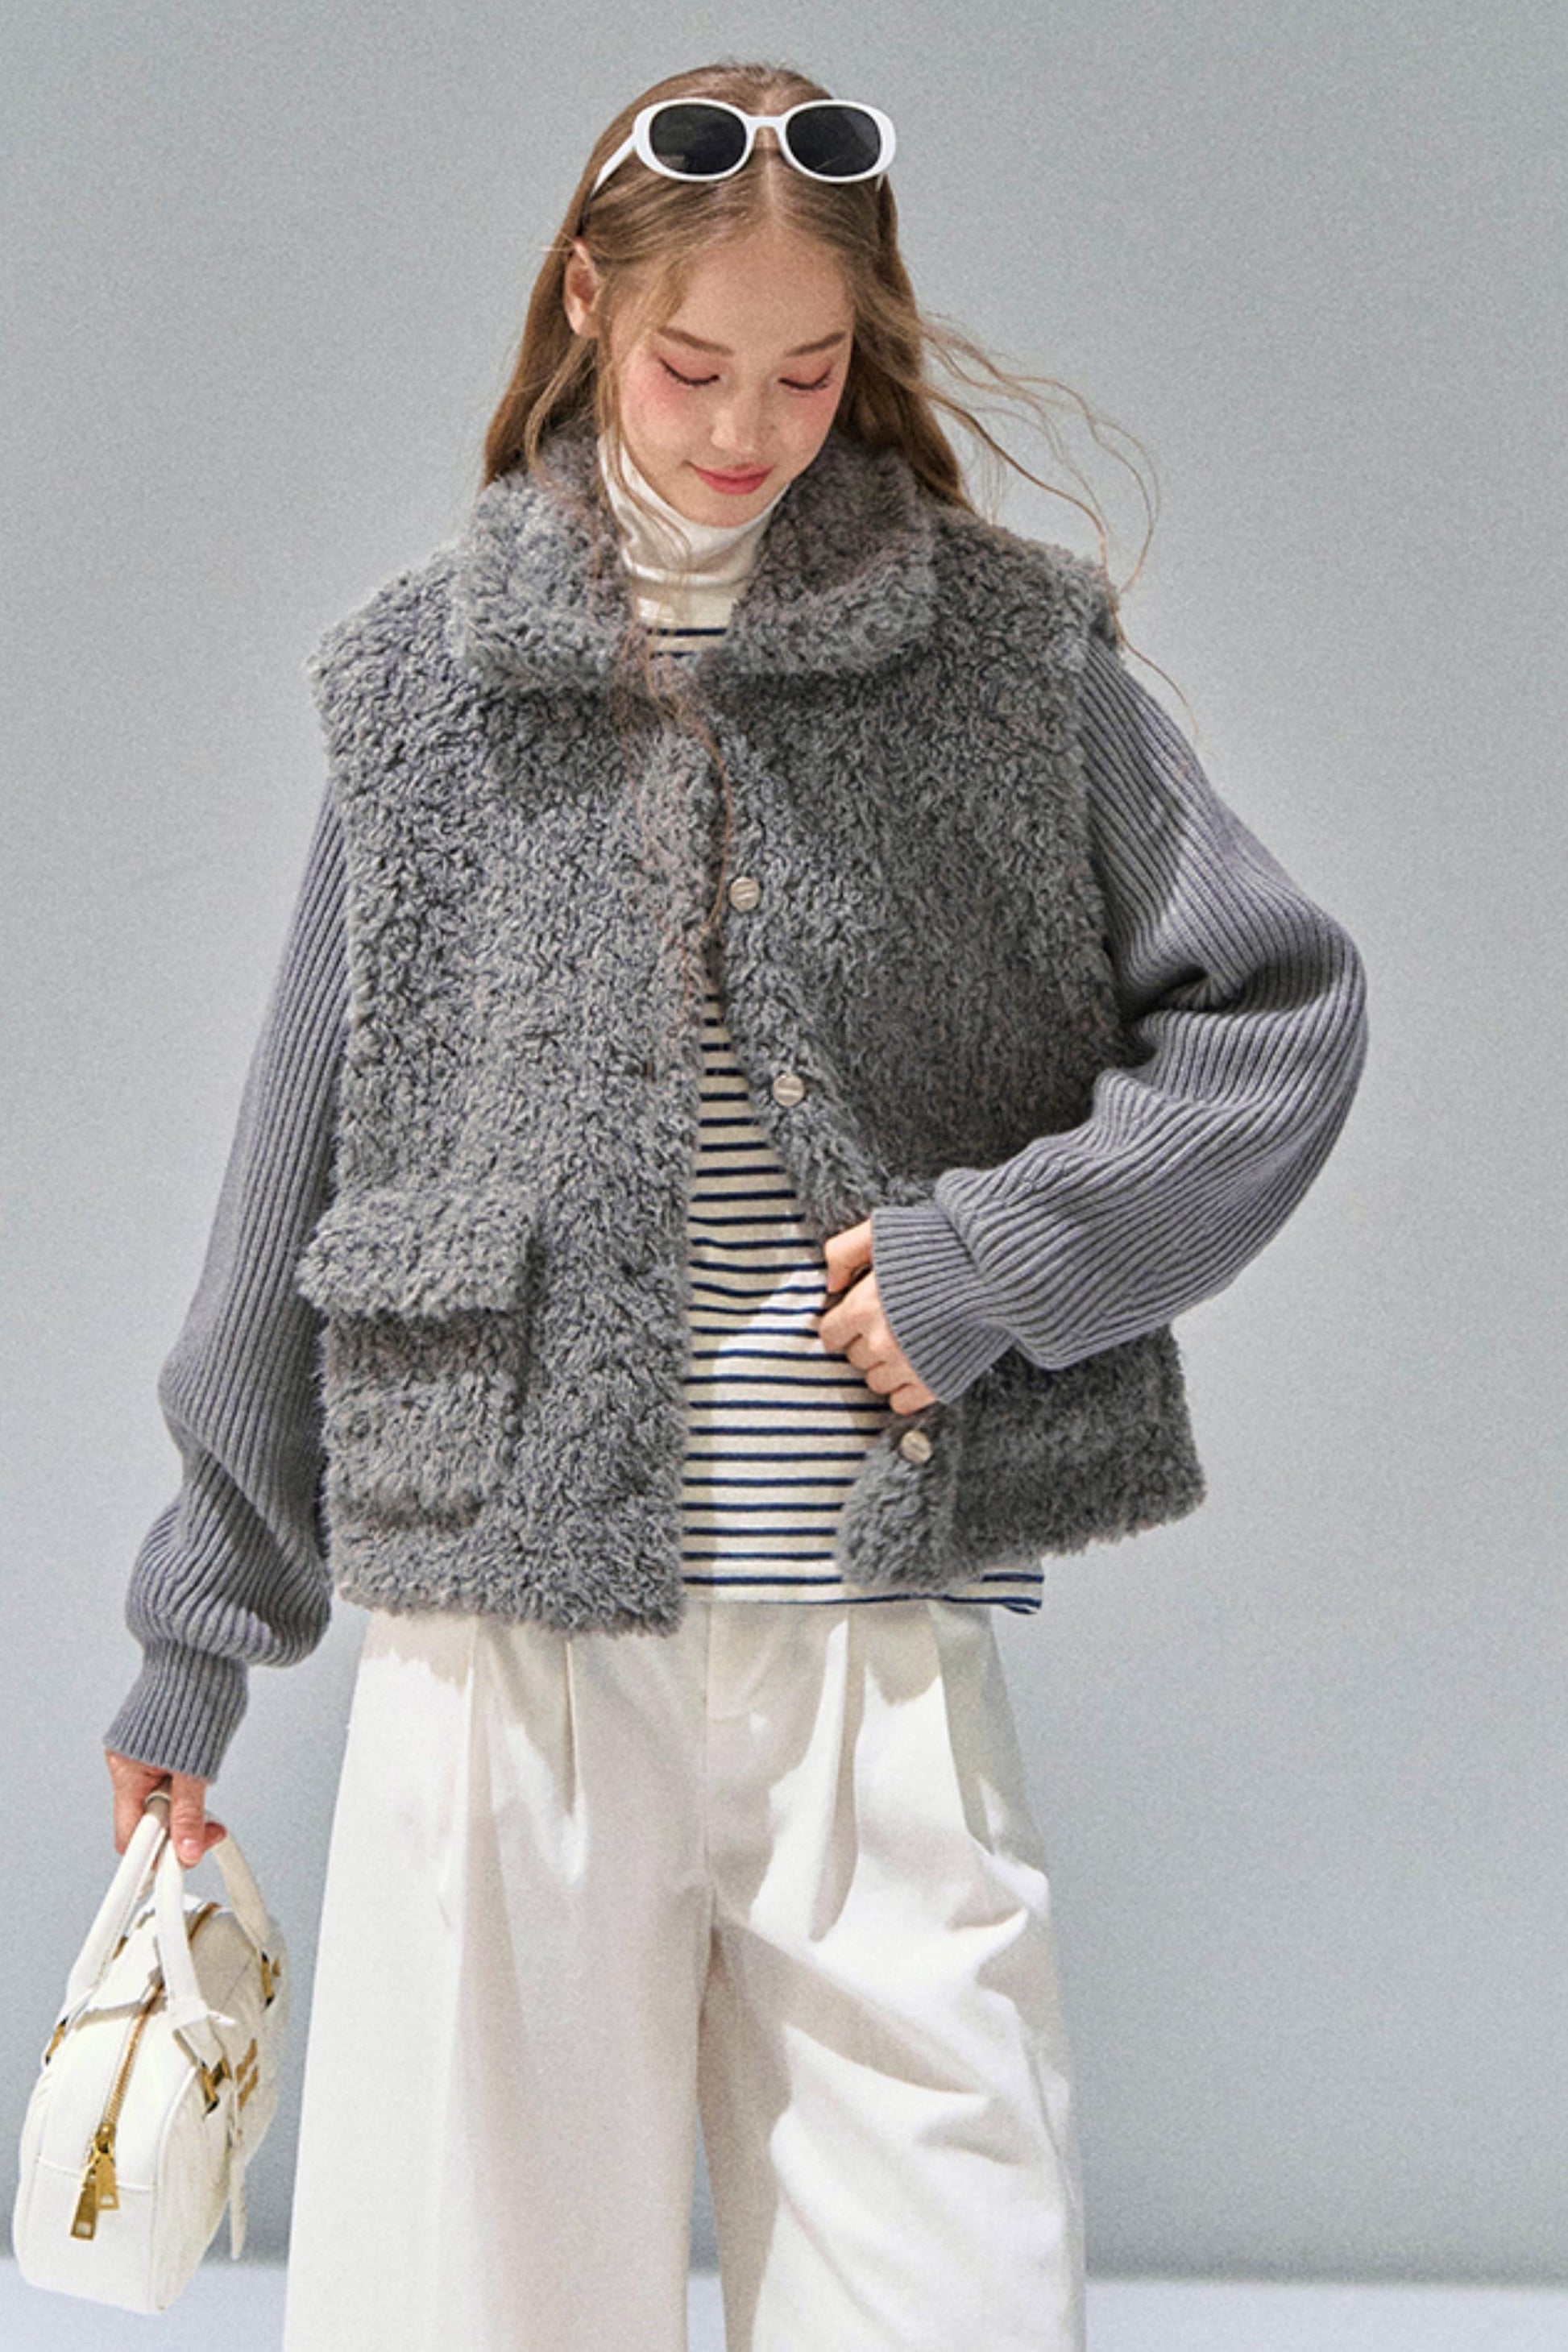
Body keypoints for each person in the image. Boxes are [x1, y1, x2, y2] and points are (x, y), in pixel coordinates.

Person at [101, 58, 1368, 2352]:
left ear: (861, 341)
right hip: (505, 1659)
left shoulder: (1004, 659)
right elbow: (297, 1172)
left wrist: (999, 1265)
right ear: (592, 305)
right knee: (463, 2311)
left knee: (952, 2288)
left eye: (804, 370)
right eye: (696, 365)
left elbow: (1277, 1015)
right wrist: (202, 1630)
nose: (746, 428)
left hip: (868, 1647)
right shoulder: (421, 684)